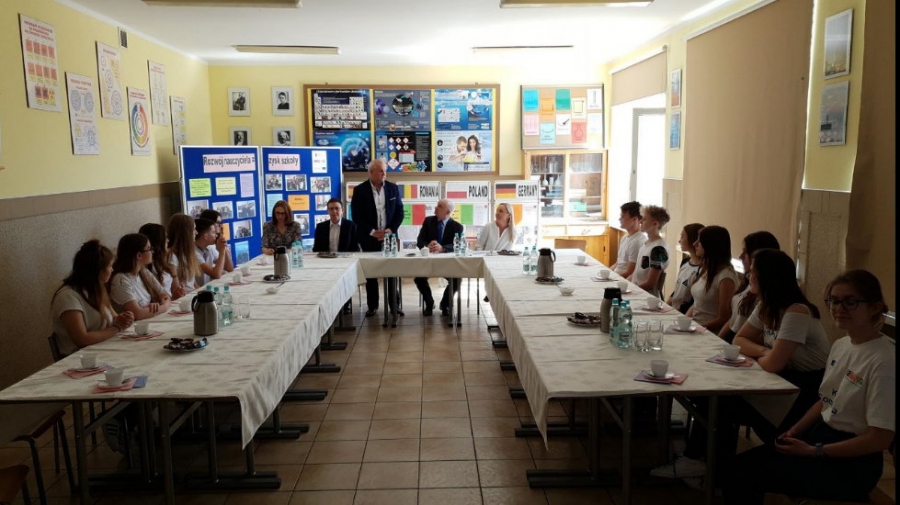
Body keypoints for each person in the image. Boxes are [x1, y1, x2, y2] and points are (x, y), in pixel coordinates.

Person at [723, 270, 894, 504]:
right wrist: (794, 431)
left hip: (852, 463)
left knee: (742, 473)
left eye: (850, 302)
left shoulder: (884, 360)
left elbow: (879, 439)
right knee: (738, 466)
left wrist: (814, 451)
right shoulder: (842, 345)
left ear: (874, 307)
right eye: (834, 300)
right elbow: (825, 400)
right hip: (822, 436)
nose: (839, 308)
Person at [732, 249, 831, 436]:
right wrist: (764, 352)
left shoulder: (797, 311)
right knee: (723, 403)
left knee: (728, 406)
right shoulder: (766, 306)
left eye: (753, 272)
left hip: (807, 388)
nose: (748, 276)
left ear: (767, 278)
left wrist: (767, 356)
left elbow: (773, 365)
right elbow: (738, 340)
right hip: (783, 379)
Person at [51, 240, 134, 356]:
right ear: (98, 270)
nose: (112, 270)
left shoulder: (96, 290)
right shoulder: (68, 297)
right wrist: (116, 328)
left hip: (103, 350)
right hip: (81, 358)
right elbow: (82, 339)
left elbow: (114, 318)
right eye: (110, 266)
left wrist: (124, 319)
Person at [349, 159, 404, 318]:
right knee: (371, 273)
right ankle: (372, 306)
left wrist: (390, 230)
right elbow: (356, 216)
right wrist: (373, 232)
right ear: (371, 172)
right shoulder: (360, 190)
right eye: (380, 171)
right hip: (369, 237)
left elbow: (400, 212)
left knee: (392, 271)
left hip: (389, 237)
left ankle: (395, 305)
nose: (384, 173)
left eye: (385, 170)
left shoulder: (393, 188)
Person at [718, 231, 781, 343]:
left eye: (746, 252)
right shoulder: (749, 282)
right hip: (733, 337)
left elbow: (764, 336)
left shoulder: (765, 293)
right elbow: (734, 320)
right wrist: (718, 339)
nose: (740, 257)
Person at [414, 199, 464, 317]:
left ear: (447, 212)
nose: (436, 208)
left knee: (456, 280)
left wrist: (443, 248)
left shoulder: (457, 227)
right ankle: (429, 303)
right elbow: (420, 240)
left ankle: (445, 304)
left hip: (447, 264)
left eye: (440, 206)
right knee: (419, 278)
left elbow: (459, 245)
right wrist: (427, 246)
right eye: (437, 205)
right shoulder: (428, 221)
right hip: (428, 262)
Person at [685, 225, 738, 333]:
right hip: (696, 326)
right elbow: (697, 304)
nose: (695, 244)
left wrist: (697, 328)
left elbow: (724, 318)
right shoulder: (706, 269)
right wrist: (684, 322)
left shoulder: (726, 277)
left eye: (700, 241)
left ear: (711, 245)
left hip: (710, 332)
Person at [109, 233, 172, 320]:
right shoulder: (120, 280)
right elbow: (137, 313)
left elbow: (164, 295)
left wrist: (158, 305)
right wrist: (164, 307)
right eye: (149, 249)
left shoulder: (143, 271)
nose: (152, 251)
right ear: (139, 255)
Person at [313, 198, 359, 315]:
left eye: (337, 208)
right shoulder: (321, 227)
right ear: (327, 211)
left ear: (342, 210)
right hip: (325, 262)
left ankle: (345, 305)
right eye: (331, 209)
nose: (334, 211)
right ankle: (327, 305)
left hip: (344, 262)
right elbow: (316, 248)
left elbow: (355, 248)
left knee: (345, 279)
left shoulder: (351, 226)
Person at [137, 223, 186, 299]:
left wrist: (179, 291)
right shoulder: (146, 268)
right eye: (165, 237)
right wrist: (173, 297)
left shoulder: (162, 261)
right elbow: (154, 299)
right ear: (158, 241)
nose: (168, 240)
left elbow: (174, 289)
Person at [630, 204, 669, 296]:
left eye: (644, 219)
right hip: (636, 290)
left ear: (655, 224)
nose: (640, 221)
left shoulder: (659, 249)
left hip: (645, 296)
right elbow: (636, 273)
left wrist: (631, 291)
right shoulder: (646, 243)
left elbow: (650, 283)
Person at [666, 222, 703, 314]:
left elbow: (695, 299)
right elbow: (678, 288)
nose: (679, 241)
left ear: (692, 239)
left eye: (682, 237)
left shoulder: (702, 269)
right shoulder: (685, 262)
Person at [166, 213, 201, 292]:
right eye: (194, 229)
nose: (196, 233)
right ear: (186, 233)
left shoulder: (187, 253)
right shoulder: (172, 256)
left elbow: (193, 284)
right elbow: (176, 290)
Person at [612, 201, 647, 279]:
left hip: (623, 281)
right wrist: (606, 273)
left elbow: (630, 272)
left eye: (623, 217)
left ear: (634, 219)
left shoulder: (637, 242)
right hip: (616, 276)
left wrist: (611, 278)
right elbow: (617, 264)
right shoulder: (625, 238)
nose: (619, 219)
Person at [194, 218, 229, 286]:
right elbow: (216, 274)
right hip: (199, 289)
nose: (216, 235)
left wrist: (224, 247)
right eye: (213, 232)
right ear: (206, 236)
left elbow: (229, 267)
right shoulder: (194, 252)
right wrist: (221, 252)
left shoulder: (209, 248)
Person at [198, 209, 234, 273]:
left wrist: (224, 248)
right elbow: (217, 273)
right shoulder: (207, 245)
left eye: (221, 223)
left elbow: (230, 268)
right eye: (217, 222)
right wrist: (222, 251)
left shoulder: (217, 241)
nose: (220, 225)